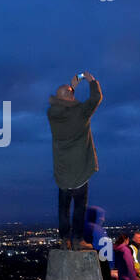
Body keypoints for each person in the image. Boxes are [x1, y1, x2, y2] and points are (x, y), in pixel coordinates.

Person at [47, 71, 102, 250]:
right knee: (79, 208)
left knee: (63, 209)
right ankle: (78, 240)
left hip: (63, 173)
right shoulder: (81, 113)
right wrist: (90, 80)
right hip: (80, 172)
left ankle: (65, 240)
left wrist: (73, 87)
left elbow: (65, 103)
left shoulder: (52, 115)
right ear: (71, 96)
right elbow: (96, 98)